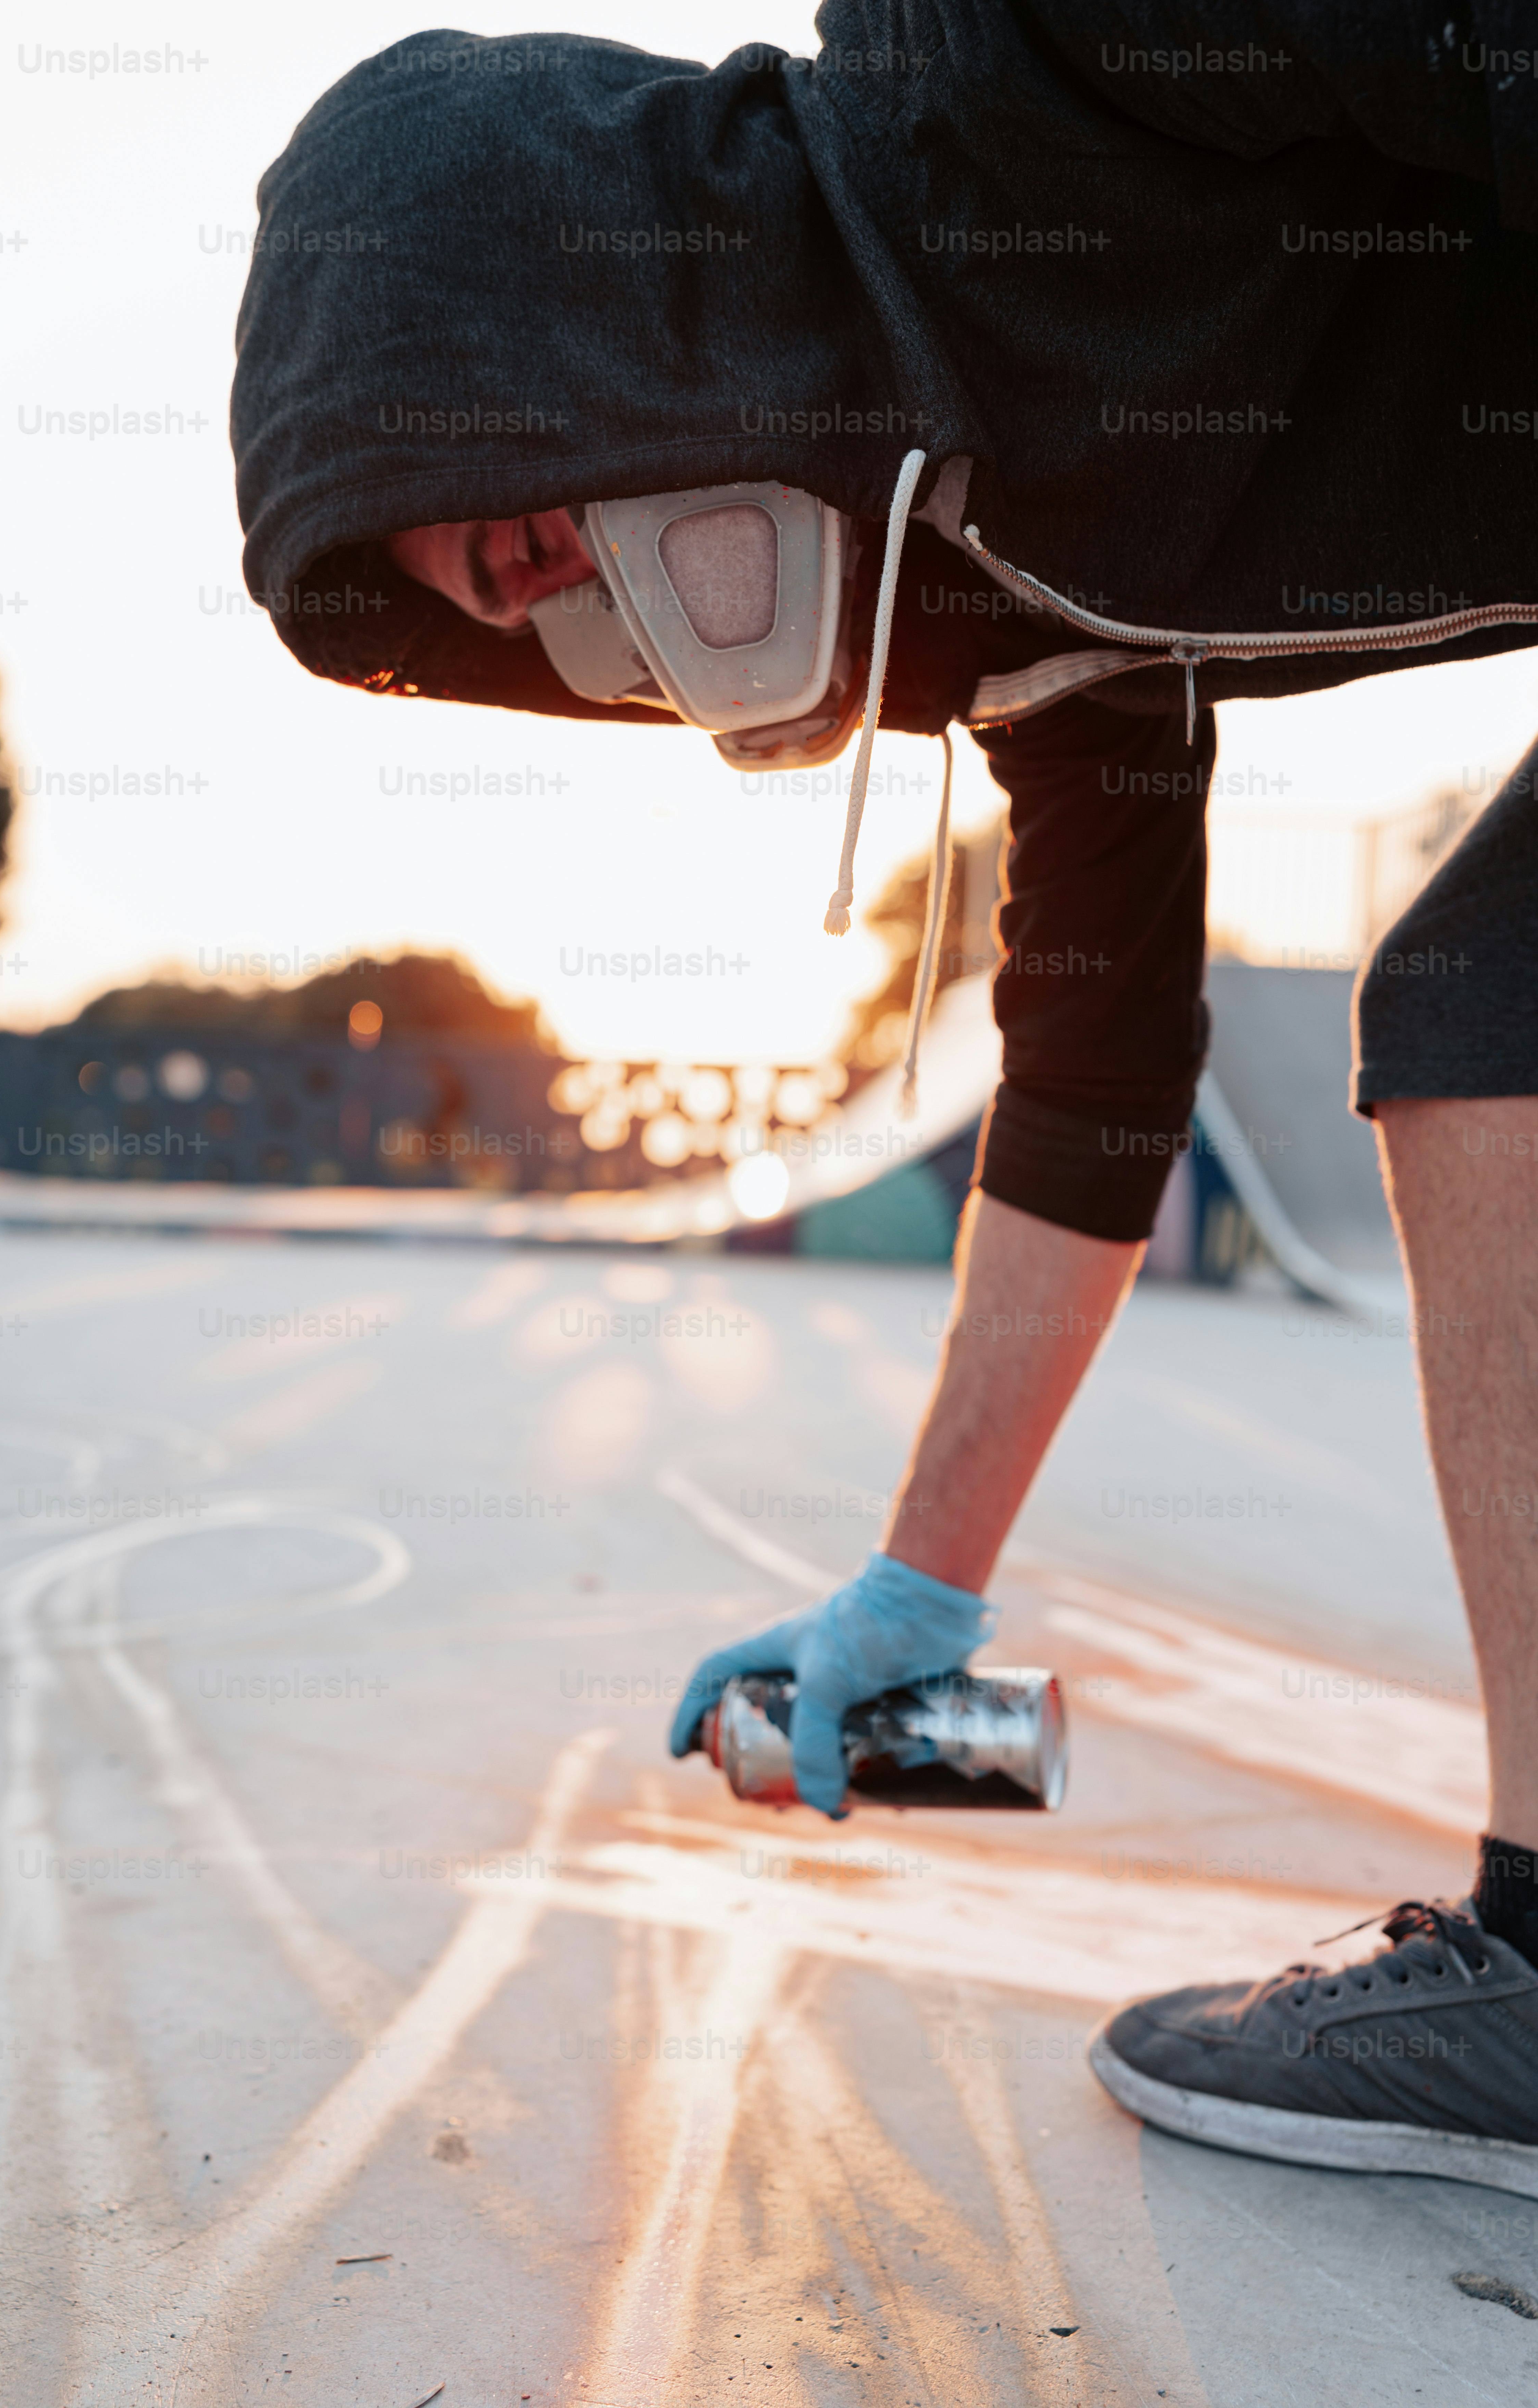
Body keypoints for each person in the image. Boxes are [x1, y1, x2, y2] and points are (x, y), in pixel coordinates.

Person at [231, 12, 1538, 2191]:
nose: (573, 583)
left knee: (1493, 1017)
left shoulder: (1002, 54)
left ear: (609, 300)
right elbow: (1100, 1067)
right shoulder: (1009, 596)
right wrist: (920, 1596)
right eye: (515, 592)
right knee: (1489, 1015)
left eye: (543, 502)